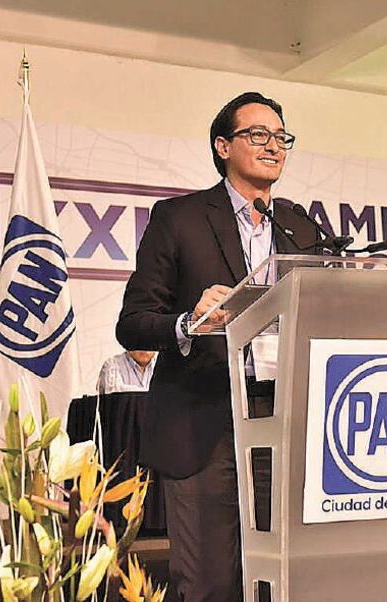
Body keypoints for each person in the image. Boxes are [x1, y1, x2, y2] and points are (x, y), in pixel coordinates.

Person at [116, 92, 318, 602]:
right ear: (223, 146)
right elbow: (133, 324)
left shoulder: (299, 226)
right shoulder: (179, 218)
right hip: (206, 422)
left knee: (282, 581)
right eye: (258, 135)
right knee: (211, 585)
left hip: (285, 422)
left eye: (281, 137)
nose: (273, 146)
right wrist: (191, 322)